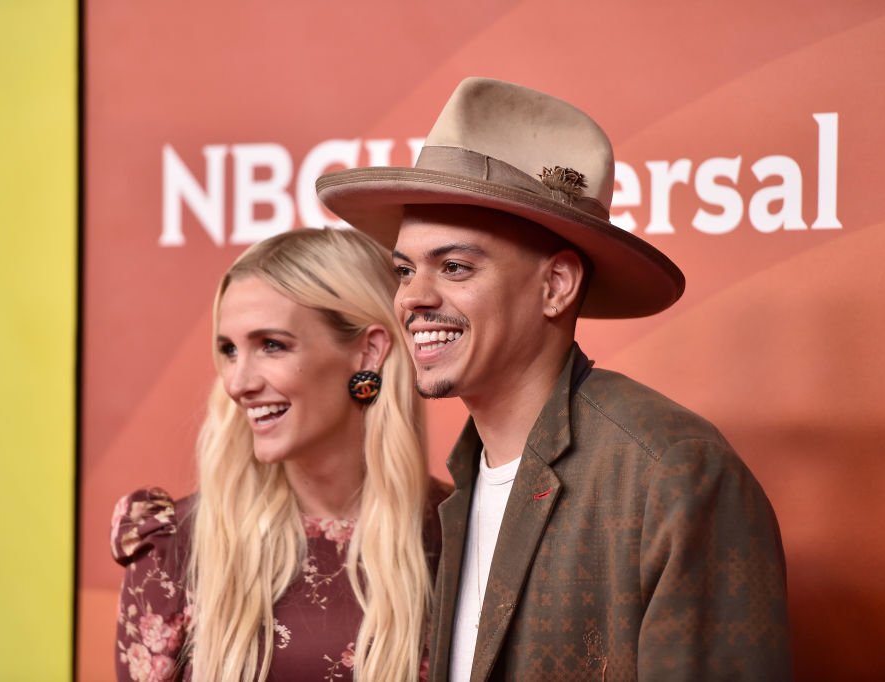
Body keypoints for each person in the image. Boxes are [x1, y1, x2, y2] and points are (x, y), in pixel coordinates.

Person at [316, 77, 791, 681]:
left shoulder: (673, 473)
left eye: (455, 266)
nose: (412, 297)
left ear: (556, 286)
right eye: (405, 269)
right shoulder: (458, 483)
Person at [110, 227, 449, 681]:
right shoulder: (176, 550)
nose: (237, 382)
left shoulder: (459, 538)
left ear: (369, 350)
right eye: (229, 350)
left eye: (272, 345)